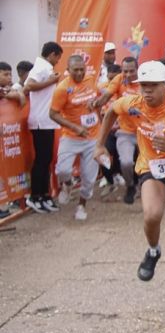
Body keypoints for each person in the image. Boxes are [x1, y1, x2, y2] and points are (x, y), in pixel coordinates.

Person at [97, 61, 165, 284]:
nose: (147, 90)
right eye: (143, 85)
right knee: (151, 215)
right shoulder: (133, 103)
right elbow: (111, 111)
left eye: (152, 86)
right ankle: (153, 251)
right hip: (152, 168)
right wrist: (99, 144)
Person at [48, 55, 103, 221]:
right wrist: (75, 127)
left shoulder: (91, 79)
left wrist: (97, 103)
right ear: (68, 70)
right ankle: (67, 184)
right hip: (71, 137)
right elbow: (52, 114)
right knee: (62, 170)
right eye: (75, 70)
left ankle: (81, 206)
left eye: (82, 69)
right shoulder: (62, 89)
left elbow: (100, 96)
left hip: (93, 137)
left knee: (89, 178)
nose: (79, 73)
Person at [22, 42, 63, 213]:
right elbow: (28, 86)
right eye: (58, 57)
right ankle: (35, 196)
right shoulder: (41, 66)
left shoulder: (44, 66)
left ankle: (45, 195)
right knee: (41, 160)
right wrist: (50, 81)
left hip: (46, 121)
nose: (58, 61)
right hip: (40, 121)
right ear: (52, 54)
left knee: (46, 160)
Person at [99, 56, 142, 204]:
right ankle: (130, 186)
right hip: (126, 131)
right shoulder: (119, 79)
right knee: (126, 163)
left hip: (146, 131)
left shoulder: (145, 81)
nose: (128, 75)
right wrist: (97, 102)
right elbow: (107, 95)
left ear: (138, 69)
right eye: (125, 71)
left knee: (149, 164)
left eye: (132, 71)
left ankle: (148, 187)